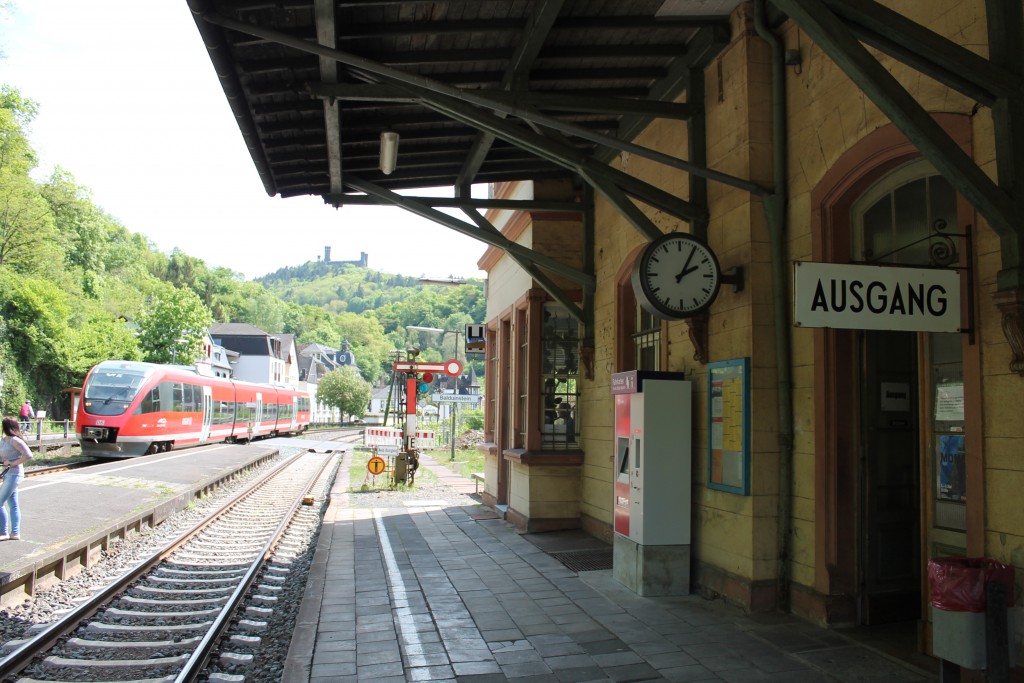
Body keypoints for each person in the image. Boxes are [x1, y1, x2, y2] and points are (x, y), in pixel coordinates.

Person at [0, 417, 32, 541]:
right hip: (8, 474)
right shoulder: (3, 440)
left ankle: (3, 532)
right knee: (13, 504)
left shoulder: (15, 440)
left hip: (15, 474)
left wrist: (12, 463)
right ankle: (15, 533)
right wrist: (5, 462)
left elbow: (28, 455)